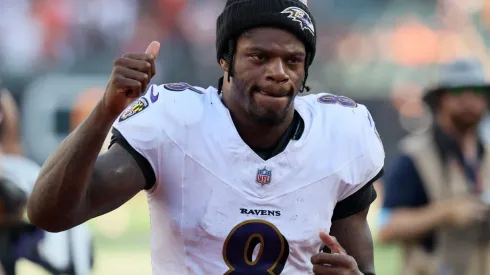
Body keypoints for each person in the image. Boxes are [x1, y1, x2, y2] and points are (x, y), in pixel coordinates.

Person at [27, 0, 385, 274]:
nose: (278, 73)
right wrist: (105, 111)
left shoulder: (340, 133)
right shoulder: (177, 122)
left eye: (293, 61)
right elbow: (50, 213)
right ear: (225, 59)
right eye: (259, 57)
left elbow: (362, 265)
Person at [378, 58, 490, 275]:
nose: (469, 99)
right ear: (441, 99)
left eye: (477, 90)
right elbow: (387, 228)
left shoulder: (487, 154)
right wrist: (445, 213)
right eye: (458, 91)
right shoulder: (413, 156)